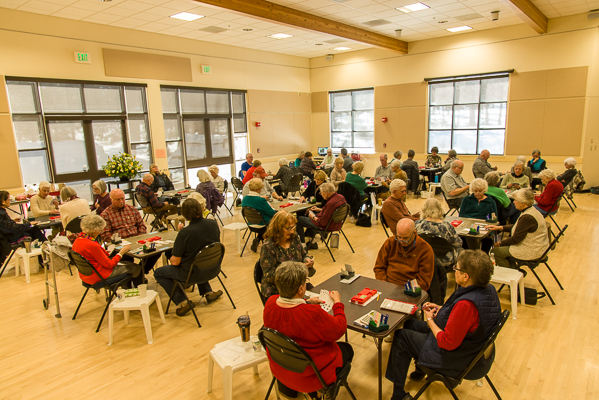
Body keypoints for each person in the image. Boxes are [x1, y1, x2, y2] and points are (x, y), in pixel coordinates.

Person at [385, 250, 501, 400]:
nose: (455, 271)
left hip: (461, 358)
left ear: (466, 276)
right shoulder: (488, 289)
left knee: (401, 337)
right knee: (411, 324)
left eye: (457, 268)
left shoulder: (466, 305)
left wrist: (430, 320)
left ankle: (398, 394)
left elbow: (447, 342)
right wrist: (440, 309)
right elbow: (469, 322)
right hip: (473, 349)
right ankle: (421, 368)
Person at [263, 261, 353, 398]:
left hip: (281, 369)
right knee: (348, 350)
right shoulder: (311, 314)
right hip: (311, 377)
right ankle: (327, 390)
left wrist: (306, 302)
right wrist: (338, 303)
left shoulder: (270, 303)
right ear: (301, 289)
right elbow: (339, 329)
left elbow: (288, 320)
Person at [153, 198, 223, 316]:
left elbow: (175, 262)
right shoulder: (212, 223)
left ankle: (183, 301)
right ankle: (208, 292)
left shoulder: (185, 233)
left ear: (184, 213)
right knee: (198, 258)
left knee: (159, 273)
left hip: (191, 274)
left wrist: (171, 255)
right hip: (213, 267)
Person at [101, 189, 166, 273]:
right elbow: (106, 235)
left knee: (155, 251)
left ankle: (140, 272)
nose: (121, 201)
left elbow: (141, 225)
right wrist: (121, 243)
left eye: (123, 199)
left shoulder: (132, 209)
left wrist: (140, 237)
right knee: (127, 259)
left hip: (138, 241)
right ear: (111, 200)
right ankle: (135, 275)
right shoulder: (106, 214)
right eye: (118, 199)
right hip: (121, 245)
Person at [72, 214, 142, 286]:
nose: (100, 232)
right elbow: (109, 264)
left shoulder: (77, 241)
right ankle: (136, 290)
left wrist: (103, 252)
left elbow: (92, 256)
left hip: (85, 276)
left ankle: (127, 287)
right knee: (135, 267)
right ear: (95, 231)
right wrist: (121, 253)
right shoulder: (92, 245)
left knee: (126, 263)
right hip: (99, 276)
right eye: (100, 230)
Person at [259, 211, 315, 299]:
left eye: (293, 227)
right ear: (277, 228)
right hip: (278, 291)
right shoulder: (268, 247)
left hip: (296, 286)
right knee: (306, 307)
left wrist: (307, 260)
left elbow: (304, 255)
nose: (292, 231)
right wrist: (296, 270)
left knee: (316, 301)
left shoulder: (294, 237)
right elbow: (269, 276)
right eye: (288, 228)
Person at [489, 189, 549, 269]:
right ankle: (516, 272)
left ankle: (513, 275)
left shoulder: (527, 217)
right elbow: (519, 226)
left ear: (523, 203)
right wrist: (501, 227)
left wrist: (500, 243)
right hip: (540, 247)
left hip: (533, 250)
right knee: (503, 250)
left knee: (495, 251)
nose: (513, 202)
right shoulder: (531, 210)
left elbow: (516, 239)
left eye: (515, 200)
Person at [374, 219, 434, 290]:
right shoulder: (390, 242)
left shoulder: (425, 249)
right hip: (388, 285)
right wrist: (383, 283)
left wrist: (406, 290)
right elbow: (379, 267)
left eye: (405, 238)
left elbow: (424, 281)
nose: (401, 241)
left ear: (414, 233)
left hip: (411, 290)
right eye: (399, 237)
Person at [415, 198, 463, 270]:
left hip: (423, 257)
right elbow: (458, 243)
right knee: (461, 250)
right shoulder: (447, 226)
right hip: (445, 259)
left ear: (423, 209)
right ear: (440, 209)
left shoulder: (417, 224)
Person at [296, 183, 347, 247]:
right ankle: (312, 242)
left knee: (299, 219)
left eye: (321, 193)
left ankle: (302, 245)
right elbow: (332, 211)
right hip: (337, 223)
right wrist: (319, 210)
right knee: (309, 216)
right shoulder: (340, 197)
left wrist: (313, 216)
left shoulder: (330, 203)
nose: (321, 195)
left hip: (328, 226)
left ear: (325, 193)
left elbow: (322, 223)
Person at [242, 178, 278, 252]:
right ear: (258, 189)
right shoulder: (261, 200)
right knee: (279, 218)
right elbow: (272, 213)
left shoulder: (245, 199)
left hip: (251, 224)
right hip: (264, 225)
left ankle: (258, 238)